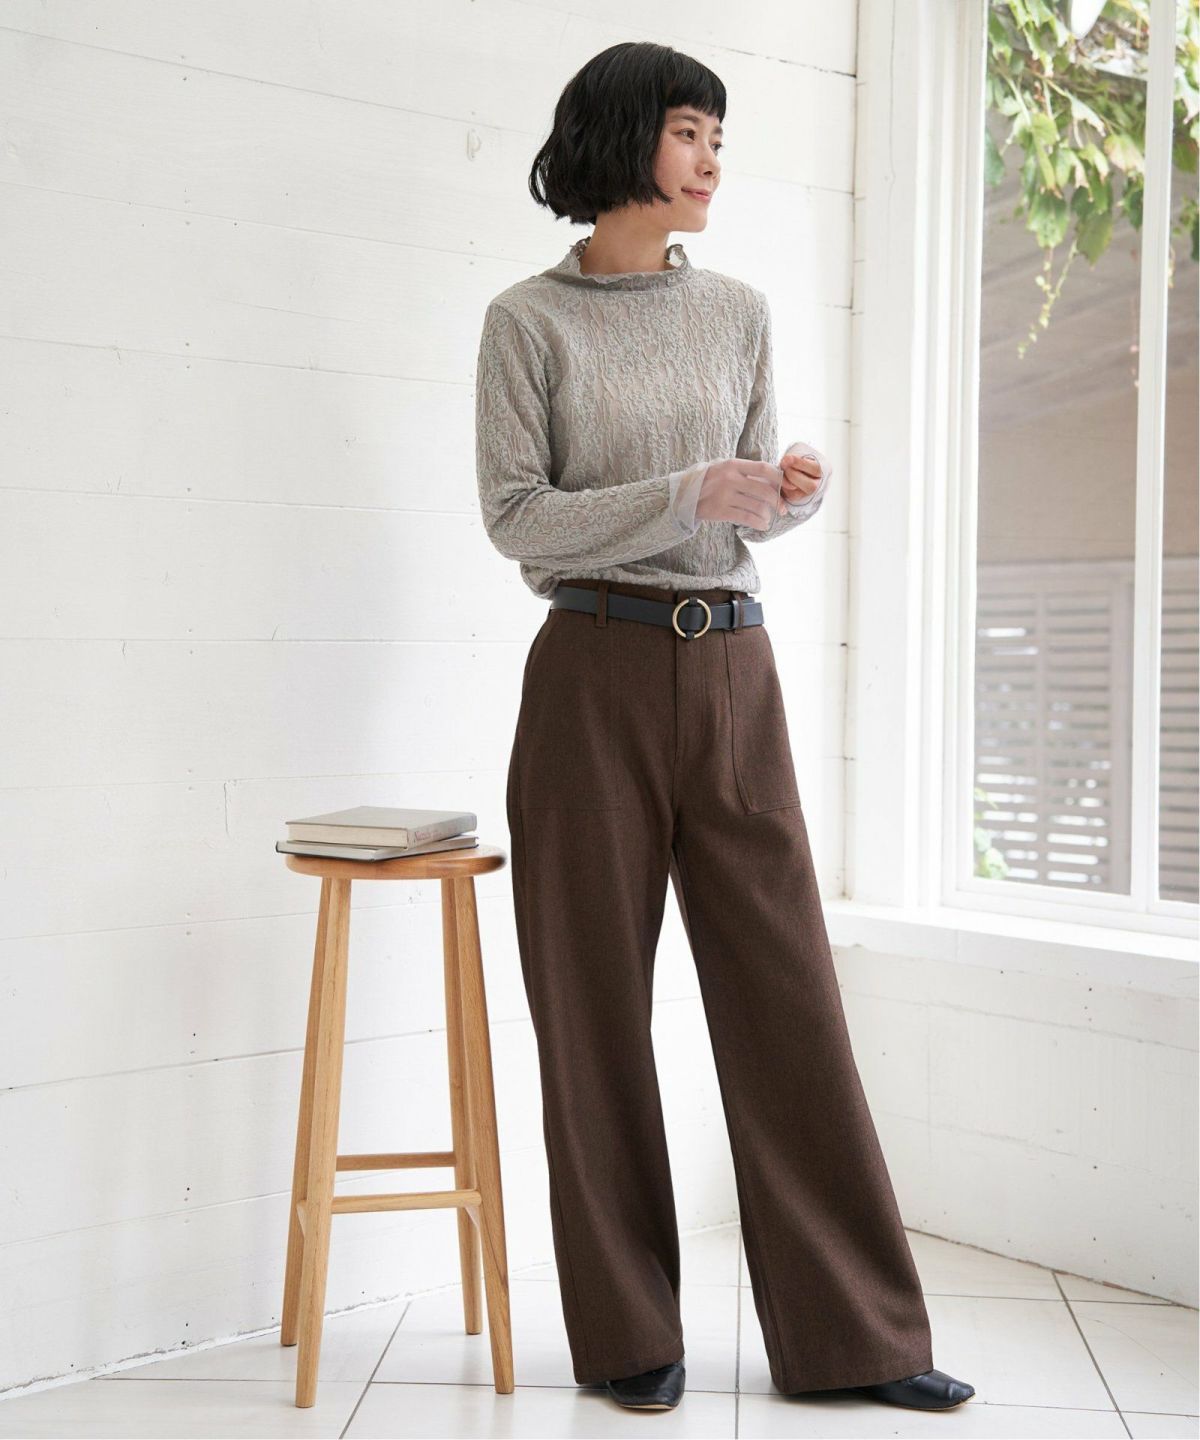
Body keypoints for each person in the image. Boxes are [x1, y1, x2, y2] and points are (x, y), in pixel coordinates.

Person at [474, 39, 976, 1416]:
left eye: (718, 137)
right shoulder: (527, 322)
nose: (709, 160)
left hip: (734, 671)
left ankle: (861, 1339)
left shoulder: (738, 313)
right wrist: (691, 489)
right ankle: (628, 1334)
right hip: (591, 673)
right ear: (623, 136)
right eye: (690, 131)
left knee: (787, 997)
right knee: (591, 1007)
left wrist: (784, 490)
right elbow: (516, 517)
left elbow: (738, 498)